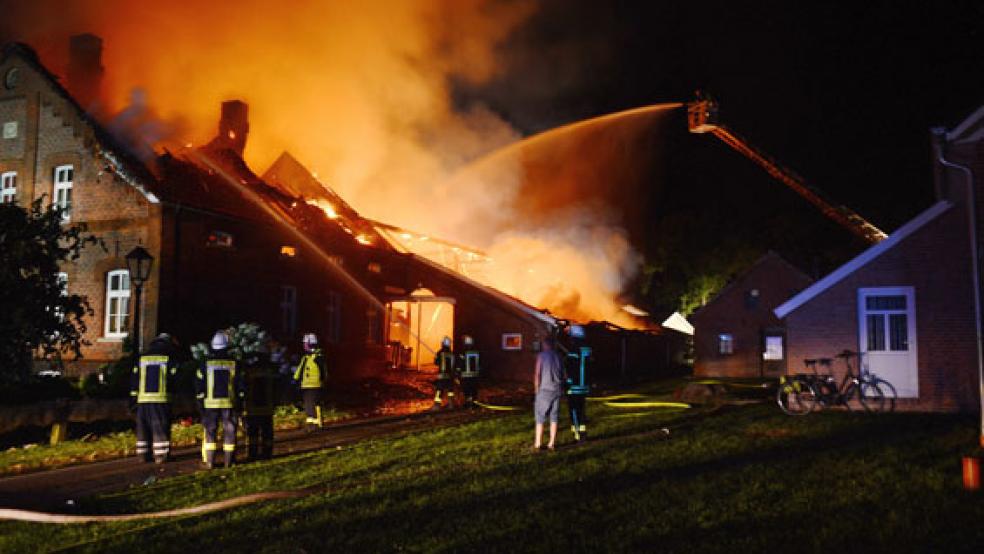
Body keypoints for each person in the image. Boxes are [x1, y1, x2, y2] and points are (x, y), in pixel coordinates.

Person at [196, 331, 245, 468]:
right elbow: (240, 385)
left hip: (210, 405)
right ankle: (229, 462)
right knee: (230, 431)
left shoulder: (205, 364)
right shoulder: (234, 364)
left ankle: (210, 462)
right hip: (229, 404)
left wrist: (200, 403)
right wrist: (240, 401)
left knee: (210, 432)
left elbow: (199, 386)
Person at [130, 333, 180, 464]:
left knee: (143, 427)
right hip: (160, 400)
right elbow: (174, 378)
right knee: (160, 426)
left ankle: (143, 454)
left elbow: (135, 380)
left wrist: (133, 399)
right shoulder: (168, 358)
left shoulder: (142, 358)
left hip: (142, 401)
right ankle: (161, 455)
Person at [242, 342, 277, 461]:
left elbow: (245, 387)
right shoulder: (272, 368)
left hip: (252, 409)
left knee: (252, 434)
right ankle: (267, 454)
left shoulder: (250, 369)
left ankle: (252, 454)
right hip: (267, 408)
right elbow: (277, 388)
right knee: (267, 433)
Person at [533, 335, 565, 451]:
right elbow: (563, 375)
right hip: (557, 390)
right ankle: (551, 443)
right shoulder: (559, 356)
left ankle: (538, 443)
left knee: (540, 418)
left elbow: (537, 374)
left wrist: (536, 390)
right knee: (554, 417)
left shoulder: (541, 356)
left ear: (545, 345)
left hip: (544, 390)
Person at [294, 333, 327, 432]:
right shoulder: (307, 357)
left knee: (309, 405)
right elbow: (300, 370)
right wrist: (295, 379)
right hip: (308, 385)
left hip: (313, 385)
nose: (304, 345)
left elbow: (323, 372)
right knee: (313, 404)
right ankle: (317, 423)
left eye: (305, 343)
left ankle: (311, 425)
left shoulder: (317, 357)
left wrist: (323, 381)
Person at [564, 324, 591, 441]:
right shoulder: (588, 350)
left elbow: (569, 367)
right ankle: (583, 430)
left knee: (573, 409)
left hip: (574, 386)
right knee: (581, 408)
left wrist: (568, 383)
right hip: (585, 385)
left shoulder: (573, 350)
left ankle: (577, 432)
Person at [432, 336, 457, 410]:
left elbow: (436, 363)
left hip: (442, 376)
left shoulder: (440, 352)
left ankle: (437, 405)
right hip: (450, 376)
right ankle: (451, 404)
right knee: (450, 390)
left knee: (439, 390)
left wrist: (436, 358)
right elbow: (455, 364)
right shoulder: (452, 353)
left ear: (442, 343)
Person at [458, 335, 481, 408]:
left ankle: (468, 403)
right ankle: (474, 403)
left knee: (467, 390)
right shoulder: (477, 352)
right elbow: (480, 363)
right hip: (475, 375)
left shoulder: (463, 353)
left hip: (466, 376)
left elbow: (460, 364)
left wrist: (458, 372)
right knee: (474, 389)